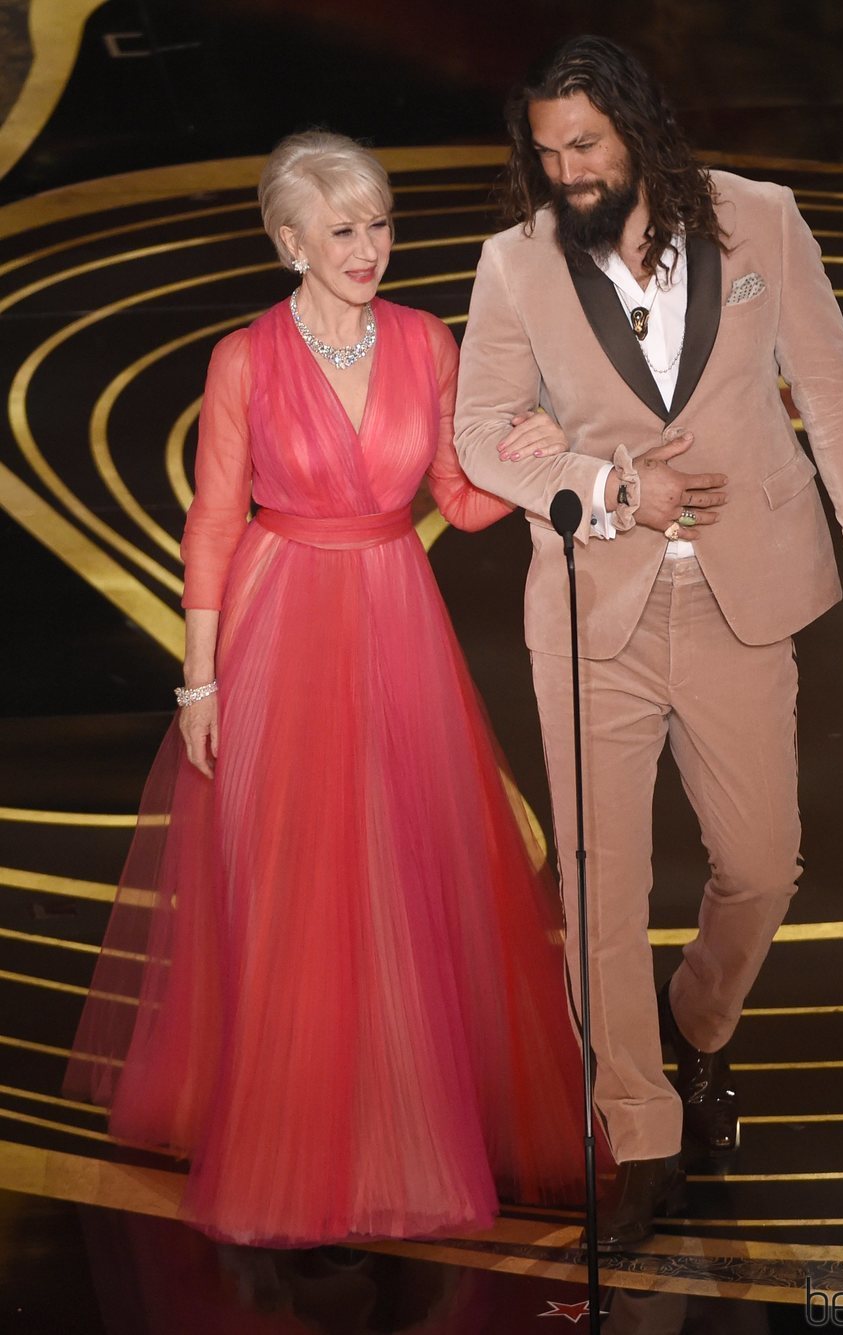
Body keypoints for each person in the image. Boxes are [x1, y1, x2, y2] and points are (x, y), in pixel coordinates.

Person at [65, 129, 590, 1247]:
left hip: (395, 611)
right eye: (343, 229)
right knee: (290, 882)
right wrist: (197, 685)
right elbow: (212, 520)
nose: (369, 248)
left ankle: (405, 1128)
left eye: (380, 223)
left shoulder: (425, 342)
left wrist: (533, 451)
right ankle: (290, 1129)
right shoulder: (243, 357)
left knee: (404, 869)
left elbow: (457, 495)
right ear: (287, 241)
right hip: (275, 619)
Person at [454, 35, 843, 1251]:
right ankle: (639, 1129)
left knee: (761, 865)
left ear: (638, 130)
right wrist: (607, 485)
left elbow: (827, 386)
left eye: (588, 146)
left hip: (740, 599)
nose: (568, 172)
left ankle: (697, 1027)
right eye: (548, 153)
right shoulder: (514, 264)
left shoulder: (761, 221)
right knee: (600, 885)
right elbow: (483, 432)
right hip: (588, 606)